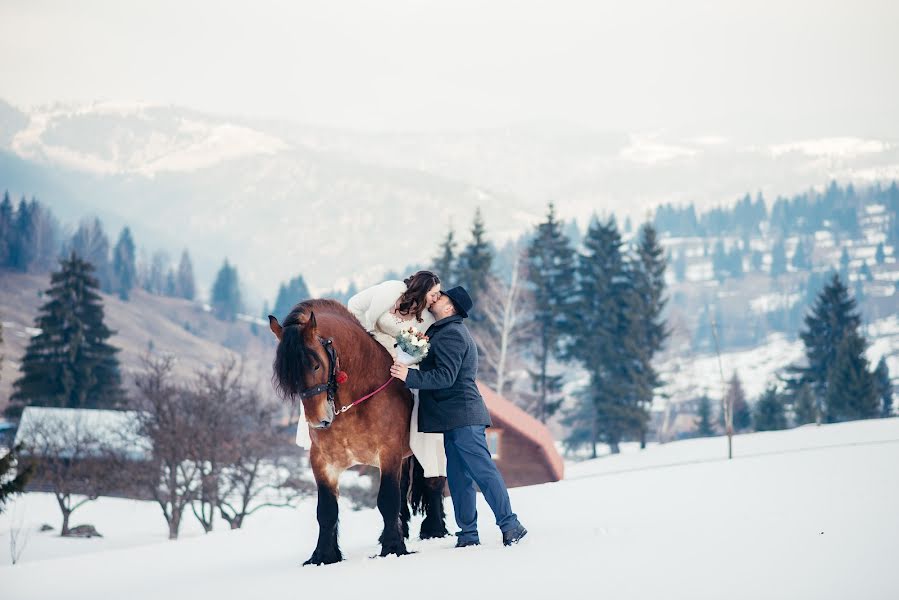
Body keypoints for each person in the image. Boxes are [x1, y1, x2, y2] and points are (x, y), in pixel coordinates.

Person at [390, 286, 528, 547]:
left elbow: (446, 377)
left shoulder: (453, 334)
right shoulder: (441, 331)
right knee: (458, 478)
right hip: (452, 419)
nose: (436, 299)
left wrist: (410, 377)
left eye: (441, 297)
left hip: (464, 416)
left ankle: (511, 525)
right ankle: (468, 533)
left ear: (450, 307)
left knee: (482, 472)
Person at [346, 271, 447, 478]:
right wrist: (368, 336)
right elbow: (354, 305)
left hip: (399, 363)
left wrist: (406, 358)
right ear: (422, 289)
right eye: (434, 293)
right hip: (370, 348)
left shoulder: (427, 319)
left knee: (418, 397)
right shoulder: (391, 290)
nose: (437, 298)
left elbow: (422, 349)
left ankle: (420, 447)